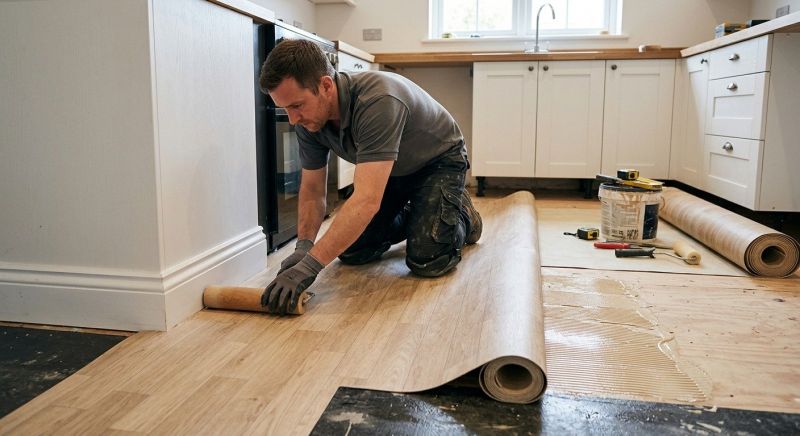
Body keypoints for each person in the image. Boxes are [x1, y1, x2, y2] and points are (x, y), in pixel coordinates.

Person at [258, 39, 482, 315]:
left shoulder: (377, 101)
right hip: (390, 171)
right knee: (353, 251)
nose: (293, 120)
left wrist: (309, 268)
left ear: (326, 86)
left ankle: (461, 213)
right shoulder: (309, 120)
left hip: (437, 162)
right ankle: (423, 211)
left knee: (429, 258)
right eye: (286, 110)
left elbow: (365, 201)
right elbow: (314, 190)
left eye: (297, 106)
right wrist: (304, 247)